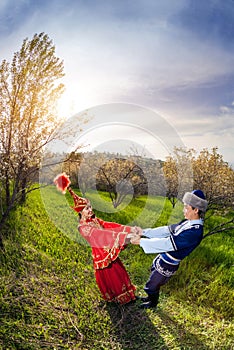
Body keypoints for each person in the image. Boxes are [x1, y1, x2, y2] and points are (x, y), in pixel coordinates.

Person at [54, 173, 137, 305]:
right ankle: (119, 299)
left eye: (90, 207)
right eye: (87, 208)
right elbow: (100, 235)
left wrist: (128, 229)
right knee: (113, 276)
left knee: (120, 272)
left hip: (108, 249)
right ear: (80, 211)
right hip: (101, 254)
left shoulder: (94, 220)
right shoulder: (82, 227)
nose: (91, 210)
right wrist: (124, 237)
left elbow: (109, 225)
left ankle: (128, 295)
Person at [130, 190, 208, 309]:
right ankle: (150, 298)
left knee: (152, 284)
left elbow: (168, 243)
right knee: (153, 274)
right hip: (164, 257)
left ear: (196, 210)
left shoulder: (195, 231)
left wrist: (141, 241)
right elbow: (166, 230)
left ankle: (153, 303)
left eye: (186, 208)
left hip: (169, 263)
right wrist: (144, 232)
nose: (184, 210)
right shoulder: (187, 223)